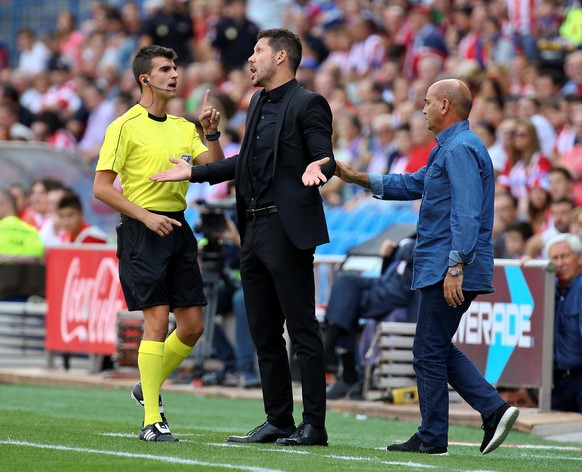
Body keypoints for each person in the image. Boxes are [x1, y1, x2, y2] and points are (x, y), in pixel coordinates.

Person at [309, 79, 519, 455]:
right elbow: (413, 183)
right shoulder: (450, 148)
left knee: (427, 349)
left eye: (426, 102)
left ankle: (446, 430)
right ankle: (485, 413)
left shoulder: (460, 149)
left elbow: (468, 212)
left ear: (444, 105)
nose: (421, 109)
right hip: (441, 263)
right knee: (433, 347)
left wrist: (456, 266)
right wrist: (356, 176)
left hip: (448, 265)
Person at [150, 28, 336, 447]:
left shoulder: (308, 103)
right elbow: (243, 162)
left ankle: (315, 425)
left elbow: (324, 155)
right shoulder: (256, 102)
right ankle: (278, 420)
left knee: (302, 329)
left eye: (258, 51)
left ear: (282, 57)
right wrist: (196, 167)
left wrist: (317, 168)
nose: (250, 59)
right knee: (263, 331)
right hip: (251, 229)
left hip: (286, 231)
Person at [93, 44, 224, 442]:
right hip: (142, 229)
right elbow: (101, 188)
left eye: (176, 67)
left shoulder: (185, 127)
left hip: (179, 229)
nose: (175, 74)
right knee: (156, 319)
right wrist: (146, 216)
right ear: (144, 79)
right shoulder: (124, 126)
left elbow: (216, 172)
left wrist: (212, 133)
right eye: (166, 69)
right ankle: (152, 419)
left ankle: (145, 386)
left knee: (192, 326)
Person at [324, 238, 416, 400]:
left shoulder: (422, 234)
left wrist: (398, 246)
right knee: (345, 281)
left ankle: (333, 351)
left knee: (348, 301)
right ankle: (346, 374)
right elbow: (390, 267)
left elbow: (412, 252)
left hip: (400, 293)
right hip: (384, 284)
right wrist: (388, 256)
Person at [546, 233, 582, 413]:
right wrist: (528, 268)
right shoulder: (548, 286)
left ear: (580, 258)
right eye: (554, 258)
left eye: (564, 256)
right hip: (556, 382)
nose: (560, 263)